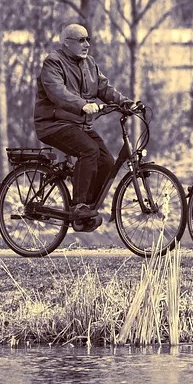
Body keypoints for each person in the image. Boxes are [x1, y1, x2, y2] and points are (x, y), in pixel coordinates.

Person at [34, 23, 135, 232]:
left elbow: (104, 88)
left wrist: (126, 102)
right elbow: (57, 92)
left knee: (106, 161)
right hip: (54, 124)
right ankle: (78, 205)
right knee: (88, 150)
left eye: (88, 39)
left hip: (79, 125)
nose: (86, 44)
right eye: (81, 40)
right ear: (67, 43)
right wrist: (83, 105)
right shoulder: (53, 62)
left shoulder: (89, 63)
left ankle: (86, 209)